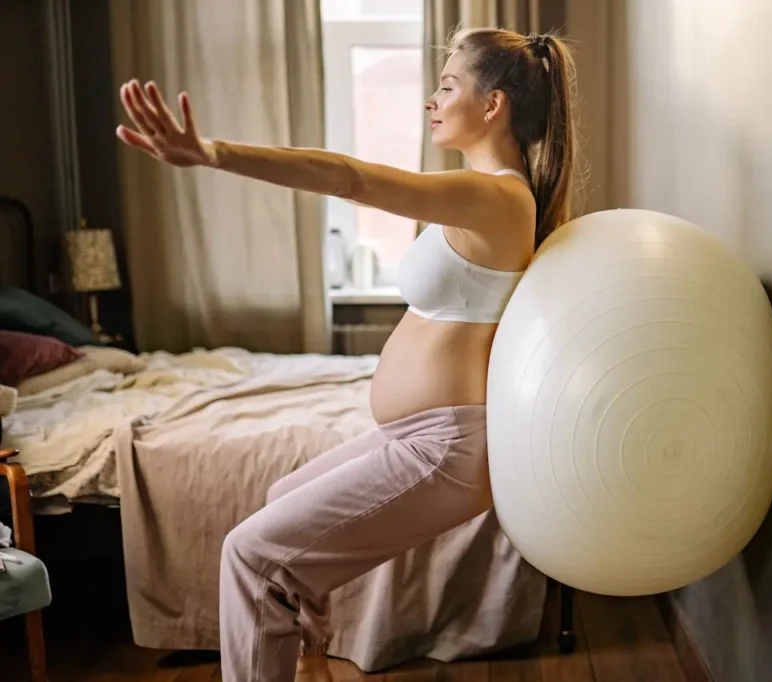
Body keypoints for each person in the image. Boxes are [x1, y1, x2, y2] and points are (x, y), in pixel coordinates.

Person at [116, 26, 581, 682]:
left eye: (447, 85)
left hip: (445, 447)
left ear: (493, 104)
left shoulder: (497, 195)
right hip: (423, 435)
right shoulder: (481, 193)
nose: (432, 98)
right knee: (281, 496)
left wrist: (214, 153)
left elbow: (350, 177)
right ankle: (310, 663)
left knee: (252, 556)